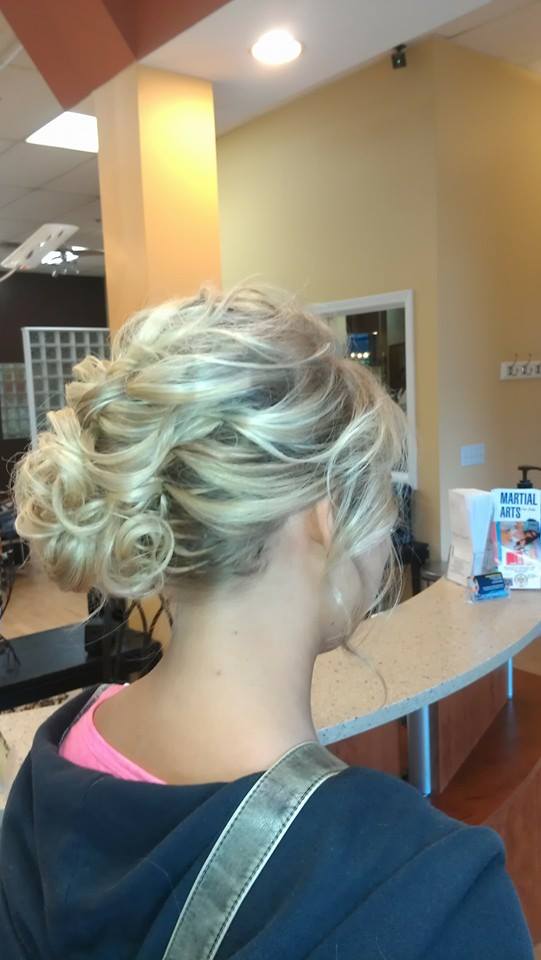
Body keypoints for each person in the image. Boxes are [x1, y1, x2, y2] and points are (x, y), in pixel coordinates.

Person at [0, 286, 532, 959]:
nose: (388, 527)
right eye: (380, 487)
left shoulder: (56, 754)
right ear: (324, 512)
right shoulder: (426, 891)